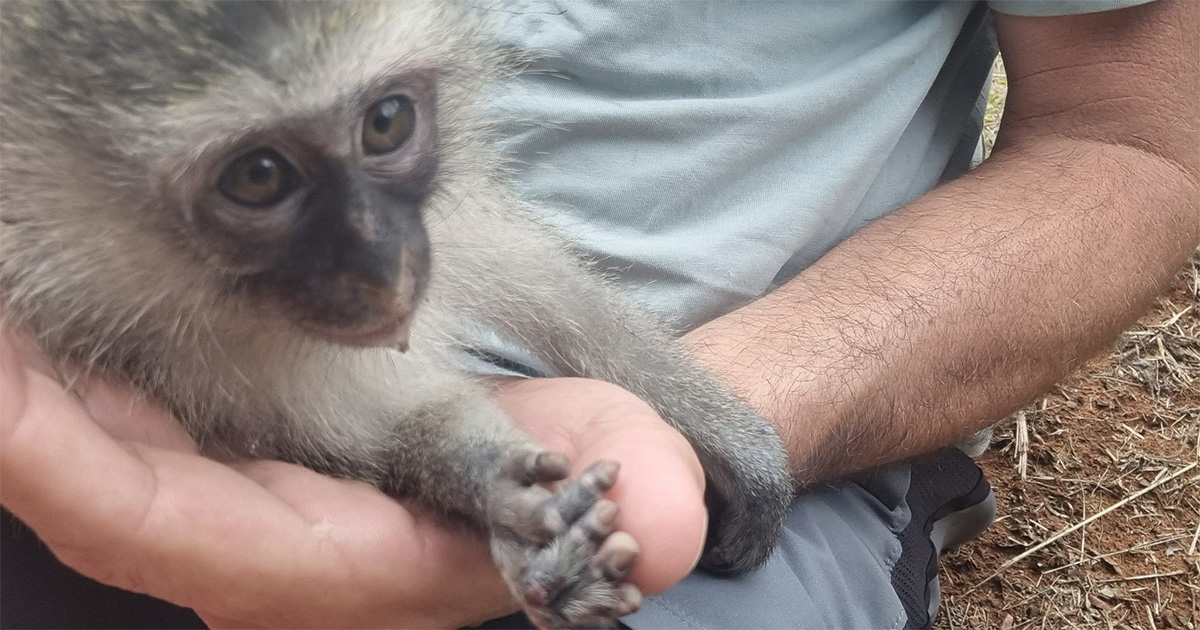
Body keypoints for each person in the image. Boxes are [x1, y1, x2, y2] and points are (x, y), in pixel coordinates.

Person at [1, 0, 1196, 628]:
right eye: (257, 182)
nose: (379, 270)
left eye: (386, 130)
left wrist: (709, 412)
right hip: (128, 403)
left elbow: (1131, 141)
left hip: (787, 377)